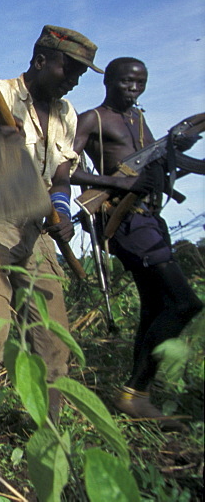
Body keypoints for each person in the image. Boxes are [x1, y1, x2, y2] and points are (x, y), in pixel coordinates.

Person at [0, 25, 98, 482]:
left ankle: (51, 438)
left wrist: (60, 209)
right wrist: (1, 138)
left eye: (80, 74)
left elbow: (62, 175)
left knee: (52, 336)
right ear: (41, 60)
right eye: (69, 69)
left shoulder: (66, 114)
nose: (74, 79)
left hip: (36, 228)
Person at [71, 57, 202, 431]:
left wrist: (189, 156)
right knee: (183, 302)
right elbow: (66, 169)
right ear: (108, 81)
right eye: (127, 81)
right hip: (124, 220)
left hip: (150, 218)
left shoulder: (139, 120)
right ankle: (137, 389)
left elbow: (163, 162)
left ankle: (135, 397)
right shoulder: (93, 119)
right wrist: (121, 185)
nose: (133, 88)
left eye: (140, 82)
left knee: (156, 304)